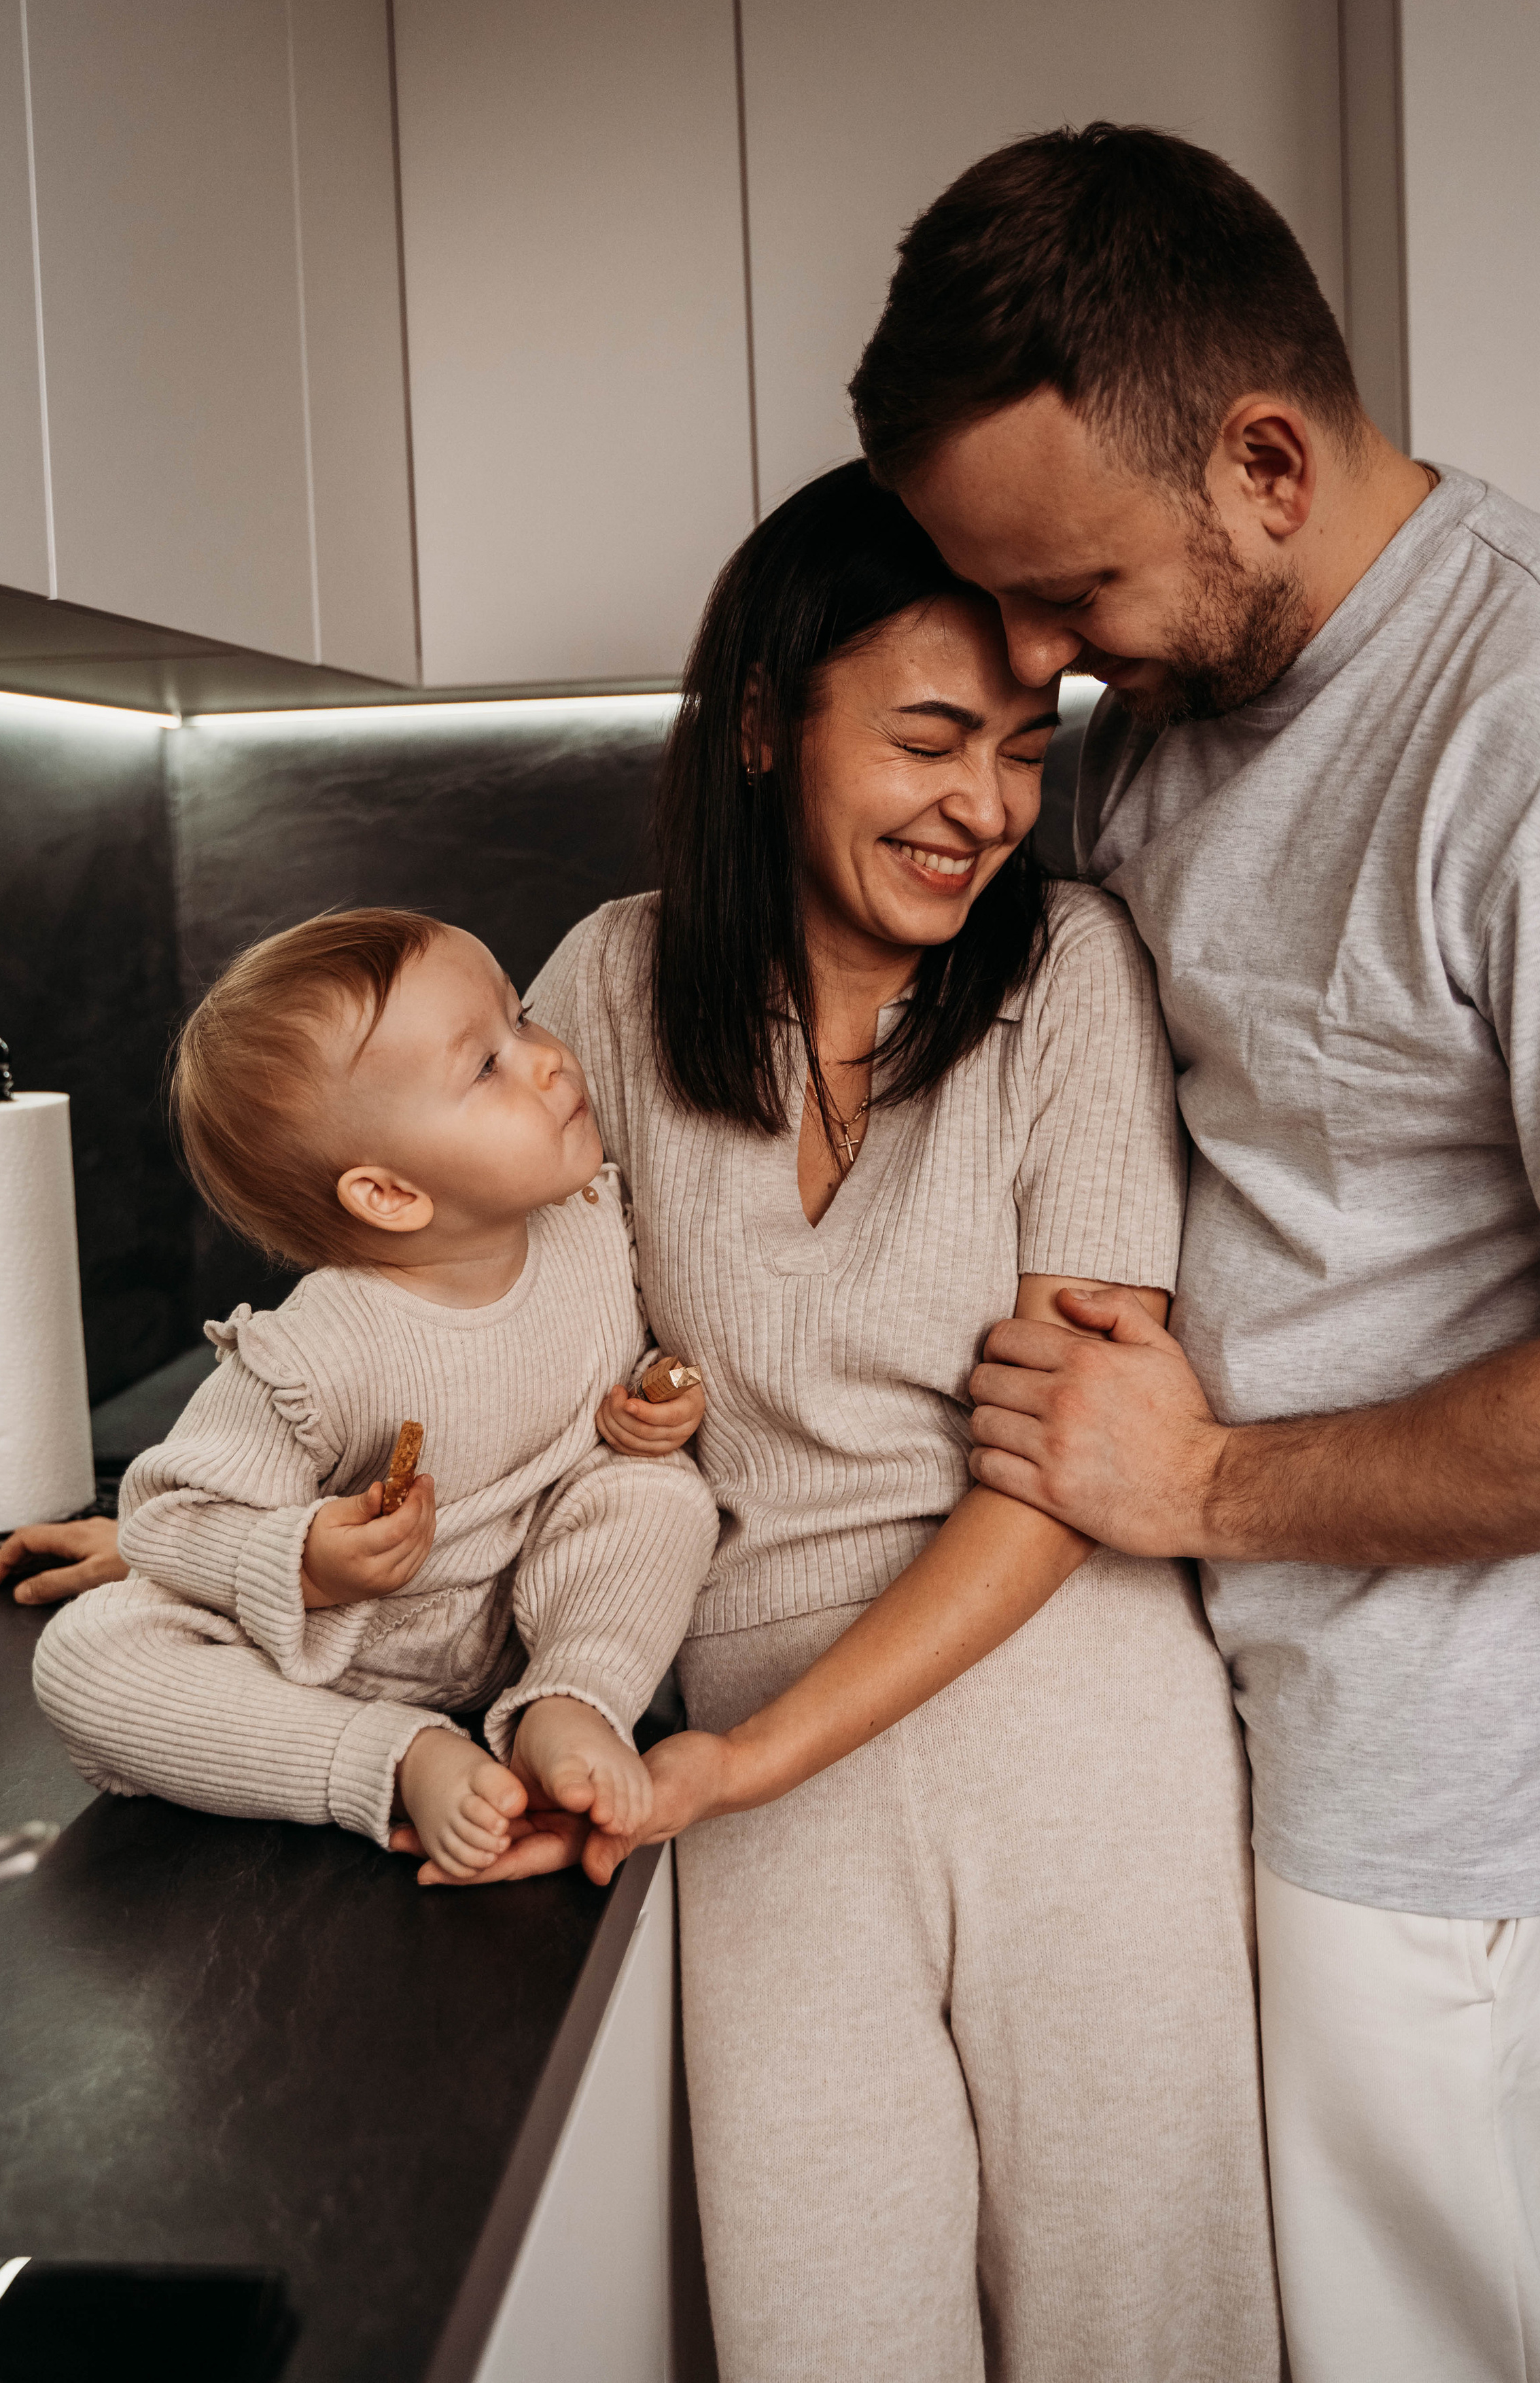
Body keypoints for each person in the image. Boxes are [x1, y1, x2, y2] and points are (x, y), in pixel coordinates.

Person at [841, 120, 1540, 2383]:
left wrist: (1200, 1489)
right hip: (1205, 1709)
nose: (1034, 657)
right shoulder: (1157, 725)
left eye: (1069, 590)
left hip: (1446, 1792)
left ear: (1270, 462)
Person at [513, 462, 1281, 2382]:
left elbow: (1062, 1475)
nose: (987, 809)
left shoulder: (1067, 976)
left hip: (1079, 1726)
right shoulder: (604, 990)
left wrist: (745, 1763)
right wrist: (237, 1517)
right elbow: (493, 1343)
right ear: (767, 726)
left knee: (1144, 2337)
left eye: (1025, 748)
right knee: (826, 2333)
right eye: (931, 738)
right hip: (756, 1761)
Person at [32, 907, 716, 1881]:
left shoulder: (596, 1226)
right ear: (389, 1195)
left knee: (659, 1494)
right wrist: (307, 1561)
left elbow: (630, 1374)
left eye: (519, 1018)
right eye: (486, 1066)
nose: (550, 1061)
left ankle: (571, 1701)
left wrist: (657, 1398)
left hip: (530, 1613)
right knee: (89, 1658)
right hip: (341, 1656)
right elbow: (167, 1521)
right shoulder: (322, 1348)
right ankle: (392, 1759)